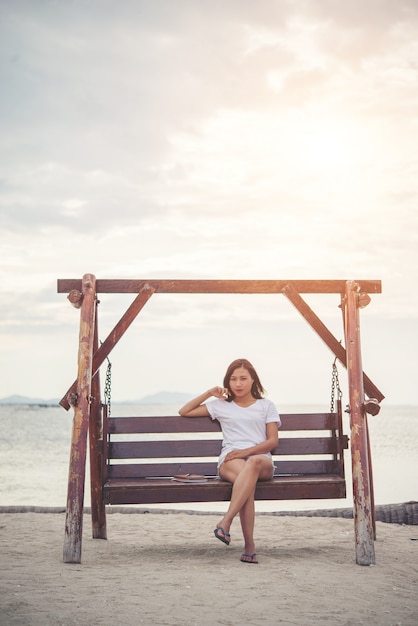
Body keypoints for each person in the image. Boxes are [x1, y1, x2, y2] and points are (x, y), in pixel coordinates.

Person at [178, 358, 281, 564]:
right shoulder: (220, 406)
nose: (238, 383)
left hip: (261, 461)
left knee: (251, 465)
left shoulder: (266, 405)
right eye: (233, 379)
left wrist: (246, 452)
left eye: (243, 378)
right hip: (230, 460)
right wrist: (209, 393)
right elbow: (184, 411)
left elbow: (272, 441)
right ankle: (249, 546)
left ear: (253, 380)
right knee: (247, 483)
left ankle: (226, 521)